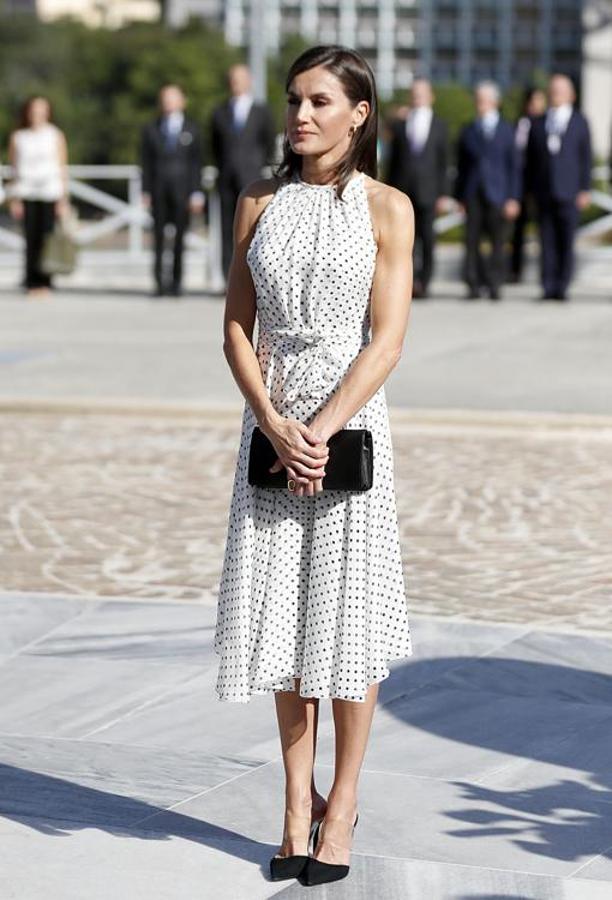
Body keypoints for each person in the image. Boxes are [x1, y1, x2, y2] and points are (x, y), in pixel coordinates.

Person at [214, 45, 414, 887]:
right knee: (283, 628)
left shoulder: (389, 209)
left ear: (358, 113)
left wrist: (321, 430)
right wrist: (273, 421)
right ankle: (296, 805)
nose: (301, 115)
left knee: (346, 626)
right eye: (294, 99)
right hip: (271, 426)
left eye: (320, 101)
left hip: (349, 428)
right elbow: (233, 325)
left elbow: (390, 337)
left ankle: (344, 805)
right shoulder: (256, 201)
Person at [525, 73, 592, 301]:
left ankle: (562, 285)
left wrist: (585, 188)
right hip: (544, 191)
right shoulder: (538, 122)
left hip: (570, 191)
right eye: (553, 90)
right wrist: (530, 190)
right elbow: (530, 161)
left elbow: (586, 158)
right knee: (546, 241)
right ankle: (547, 285)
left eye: (560, 90)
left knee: (566, 241)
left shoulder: (580, 122)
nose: (556, 94)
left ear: (571, 95)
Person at [455, 81, 522, 300]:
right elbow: (461, 167)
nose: (480, 103)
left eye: (484, 99)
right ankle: (473, 283)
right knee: (472, 241)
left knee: (497, 242)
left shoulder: (507, 130)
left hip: (498, 193)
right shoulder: (468, 129)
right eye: (478, 99)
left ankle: (495, 283)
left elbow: (514, 166)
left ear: (495, 102)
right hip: (473, 193)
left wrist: (513, 197)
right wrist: (459, 197)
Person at [211, 63, 276, 281]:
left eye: (240, 78)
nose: (236, 82)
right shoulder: (219, 112)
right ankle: (228, 279)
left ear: (249, 81)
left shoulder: (262, 112)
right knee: (227, 231)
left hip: (253, 178)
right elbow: (214, 146)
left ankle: (254, 279)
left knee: (256, 229)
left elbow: (268, 143)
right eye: (232, 78)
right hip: (227, 178)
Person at [385, 77, 449, 298]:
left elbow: (443, 162)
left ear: (431, 96)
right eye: (415, 93)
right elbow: (393, 161)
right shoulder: (400, 124)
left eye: (422, 93)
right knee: (404, 241)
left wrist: (443, 194)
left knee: (428, 239)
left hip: (429, 191)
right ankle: (407, 284)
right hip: (403, 191)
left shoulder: (440, 125)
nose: (418, 97)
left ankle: (425, 281)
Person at [141, 84, 204, 297]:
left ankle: (177, 282)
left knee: (179, 238)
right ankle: (159, 282)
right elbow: (146, 162)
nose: (168, 102)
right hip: (158, 189)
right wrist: (145, 190)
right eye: (165, 98)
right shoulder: (151, 128)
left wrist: (196, 192)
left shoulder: (192, 129)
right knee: (158, 238)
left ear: (181, 101)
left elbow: (197, 163)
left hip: (183, 190)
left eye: (172, 98)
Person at [6, 96, 69, 298]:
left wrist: (63, 198)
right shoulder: (19, 136)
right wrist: (14, 198)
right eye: (34, 109)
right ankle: (31, 280)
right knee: (30, 239)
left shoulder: (55, 135)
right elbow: (13, 169)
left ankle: (46, 281)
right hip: (26, 192)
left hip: (50, 191)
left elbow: (62, 168)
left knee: (47, 238)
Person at [509, 86, 547, 283]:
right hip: (519, 185)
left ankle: (546, 273)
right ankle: (515, 271)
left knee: (544, 230)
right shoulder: (518, 124)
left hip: (539, 184)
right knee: (517, 230)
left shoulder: (546, 125)